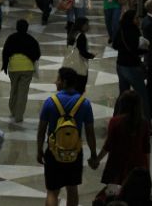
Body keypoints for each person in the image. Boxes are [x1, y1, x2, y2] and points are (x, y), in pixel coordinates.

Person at [37, 67, 97, 206]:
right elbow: (90, 132)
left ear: (63, 82)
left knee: (52, 191)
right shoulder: (84, 103)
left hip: (53, 151)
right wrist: (93, 154)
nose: (55, 82)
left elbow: (41, 130)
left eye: (57, 79)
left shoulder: (50, 102)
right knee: (72, 189)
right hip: (74, 153)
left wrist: (39, 150)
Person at [113, 10, 152, 138]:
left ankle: (116, 122)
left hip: (120, 65)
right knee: (142, 98)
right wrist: (145, 48)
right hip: (131, 67)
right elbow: (136, 48)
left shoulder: (121, 29)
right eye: (136, 18)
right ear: (131, 19)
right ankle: (148, 127)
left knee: (123, 95)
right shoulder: (133, 31)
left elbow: (115, 45)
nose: (138, 20)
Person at [89, 91, 150, 186]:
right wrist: (147, 170)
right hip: (138, 163)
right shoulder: (144, 123)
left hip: (117, 164)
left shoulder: (115, 121)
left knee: (116, 194)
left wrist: (97, 160)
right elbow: (146, 149)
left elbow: (108, 145)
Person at [1, 19, 41, 122]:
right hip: (27, 68)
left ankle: (13, 110)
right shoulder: (31, 40)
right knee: (22, 92)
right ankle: (19, 116)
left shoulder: (11, 38)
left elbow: (5, 52)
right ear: (27, 28)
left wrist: (5, 66)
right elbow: (37, 54)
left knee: (14, 89)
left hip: (13, 67)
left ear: (17, 27)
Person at [66, 17, 95, 94]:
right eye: (86, 24)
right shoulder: (81, 36)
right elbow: (82, 52)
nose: (88, 26)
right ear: (81, 25)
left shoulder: (72, 34)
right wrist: (91, 55)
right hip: (79, 66)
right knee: (79, 88)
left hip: (71, 65)